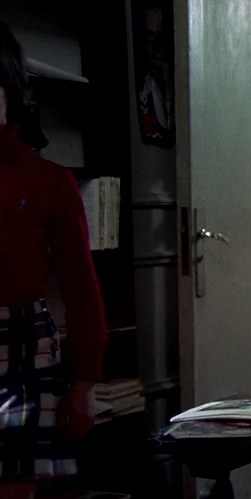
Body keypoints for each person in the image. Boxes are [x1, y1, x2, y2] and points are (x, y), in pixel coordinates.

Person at [0, 21, 108, 498]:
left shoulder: (47, 181)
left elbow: (82, 288)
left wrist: (84, 381)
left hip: (21, 350)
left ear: (9, 96)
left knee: (15, 486)